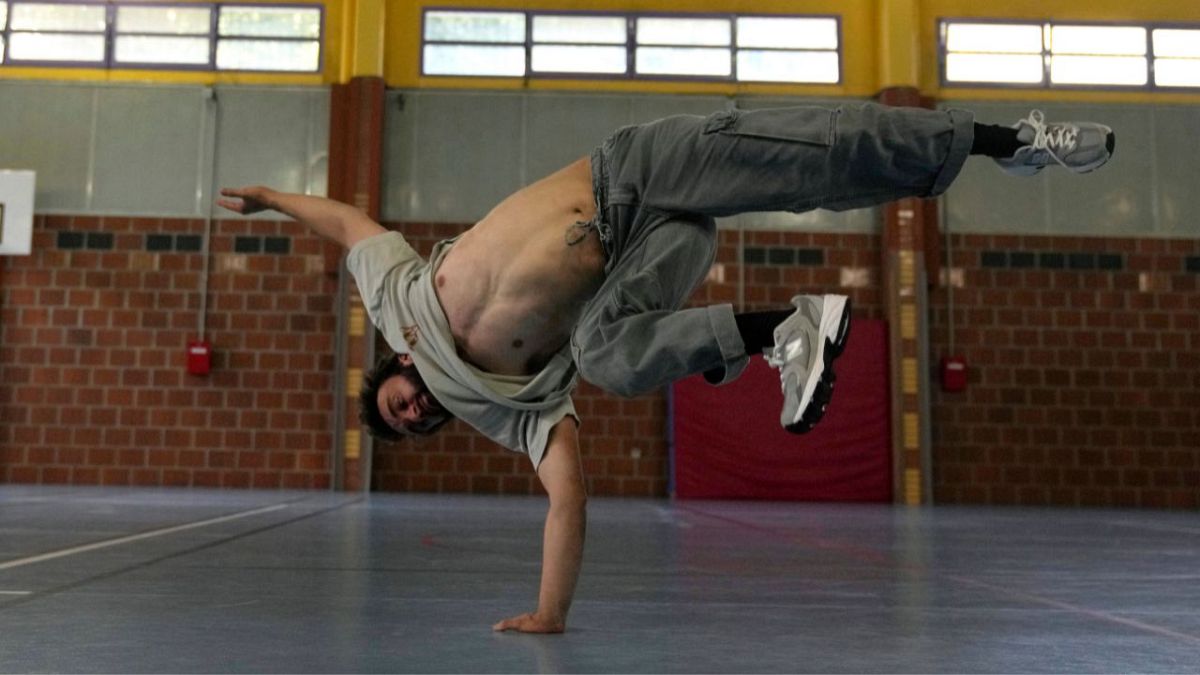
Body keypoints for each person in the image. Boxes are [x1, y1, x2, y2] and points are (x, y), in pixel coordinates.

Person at [218, 103, 1115, 633]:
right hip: (645, 261)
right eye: (407, 427)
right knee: (606, 358)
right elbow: (567, 498)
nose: (408, 414)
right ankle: (782, 330)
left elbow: (344, 223)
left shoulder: (398, 296)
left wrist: (267, 196)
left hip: (632, 173)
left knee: (812, 159)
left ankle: (1008, 139)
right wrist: (549, 611)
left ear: (391, 371)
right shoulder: (509, 406)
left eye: (394, 405)